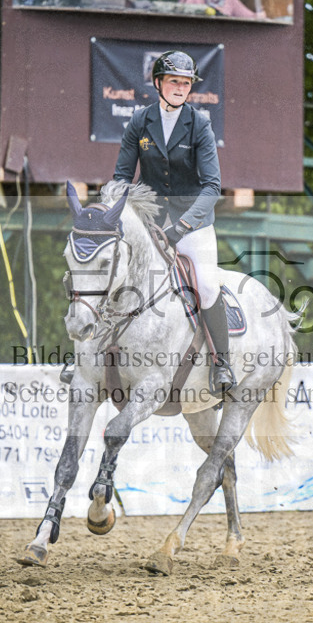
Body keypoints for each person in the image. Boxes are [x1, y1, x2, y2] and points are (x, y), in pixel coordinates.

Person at [113, 50, 235, 394]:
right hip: (149, 220)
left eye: (186, 83)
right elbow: (122, 176)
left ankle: (221, 365)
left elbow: (213, 185)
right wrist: (115, 211)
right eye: (174, 82)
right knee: (111, 271)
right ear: (158, 84)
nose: (181, 88)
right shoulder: (139, 121)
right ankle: (88, 354)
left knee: (208, 287)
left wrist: (182, 226)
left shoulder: (199, 124)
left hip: (192, 222)